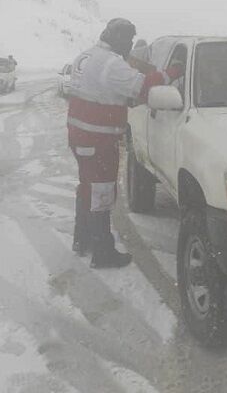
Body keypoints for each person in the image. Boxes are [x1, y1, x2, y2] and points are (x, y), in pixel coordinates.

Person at [67, 18, 183, 268]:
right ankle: (103, 252)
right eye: (128, 39)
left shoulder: (86, 56)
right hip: (98, 139)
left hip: (79, 135)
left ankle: (82, 239)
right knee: (102, 192)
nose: (130, 44)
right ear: (118, 38)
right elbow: (143, 85)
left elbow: (101, 91)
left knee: (87, 187)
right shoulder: (111, 64)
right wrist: (172, 72)